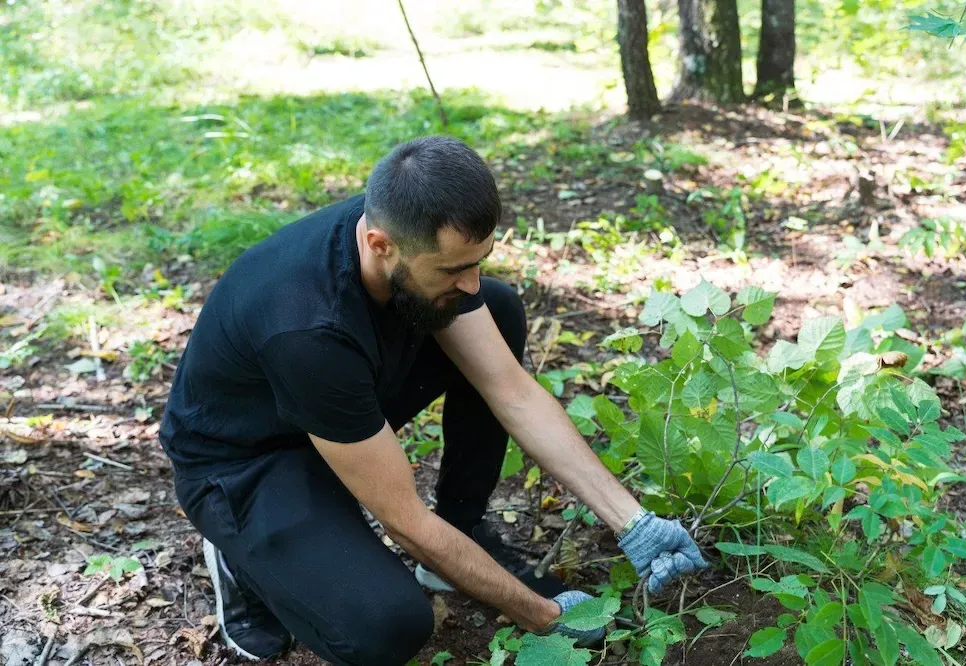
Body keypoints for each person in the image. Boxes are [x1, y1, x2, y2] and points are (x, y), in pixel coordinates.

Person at [159, 136, 707, 665]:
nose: (469, 282)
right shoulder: (307, 327)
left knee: (498, 306)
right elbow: (405, 521)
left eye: (478, 259)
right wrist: (544, 616)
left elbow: (512, 392)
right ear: (380, 245)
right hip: (245, 460)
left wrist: (633, 521)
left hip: (336, 402)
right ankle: (243, 554)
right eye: (452, 269)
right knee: (386, 628)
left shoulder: (404, 218)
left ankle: (464, 529)